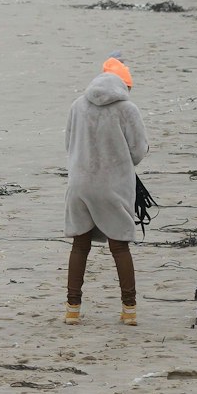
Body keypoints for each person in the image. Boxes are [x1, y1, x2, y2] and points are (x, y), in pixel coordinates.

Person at [64, 57, 149, 326]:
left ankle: (72, 310)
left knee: (80, 245)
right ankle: (129, 310)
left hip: (80, 183)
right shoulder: (127, 109)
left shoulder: (78, 105)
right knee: (120, 246)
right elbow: (138, 151)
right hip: (112, 184)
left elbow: (68, 143)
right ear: (124, 84)